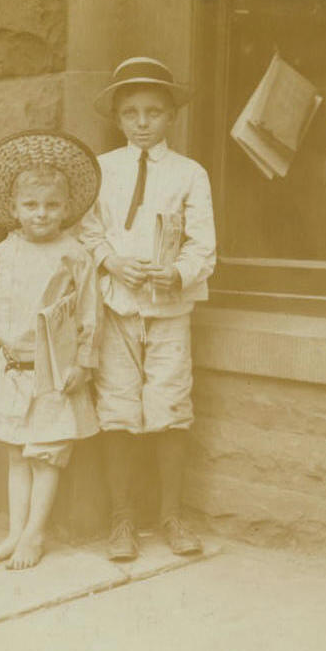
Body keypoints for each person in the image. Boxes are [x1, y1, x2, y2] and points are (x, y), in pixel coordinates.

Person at [79, 56, 216, 560]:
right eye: (132, 113)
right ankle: (122, 522)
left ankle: (173, 517)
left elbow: (204, 244)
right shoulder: (100, 170)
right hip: (116, 308)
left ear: (171, 116)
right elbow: (87, 229)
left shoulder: (189, 174)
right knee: (117, 408)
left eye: (153, 112)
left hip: (169, 310)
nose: (142, 123)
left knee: (170, 407)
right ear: (117, 118)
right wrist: (111, 261)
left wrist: (176, 272)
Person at [0, 130, 103, 570]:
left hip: (54, 370)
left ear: (66, 209)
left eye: (51, 205)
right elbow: (0, 311)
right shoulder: (2, 255)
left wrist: (84, 362)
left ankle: (36, 533)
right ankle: (14, 531)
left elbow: (89, 313)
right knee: (16, 452)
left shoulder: (74, 255)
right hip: (13, 369)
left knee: (46, 455)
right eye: (31, 205)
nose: (41, 214)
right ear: (14, 209)